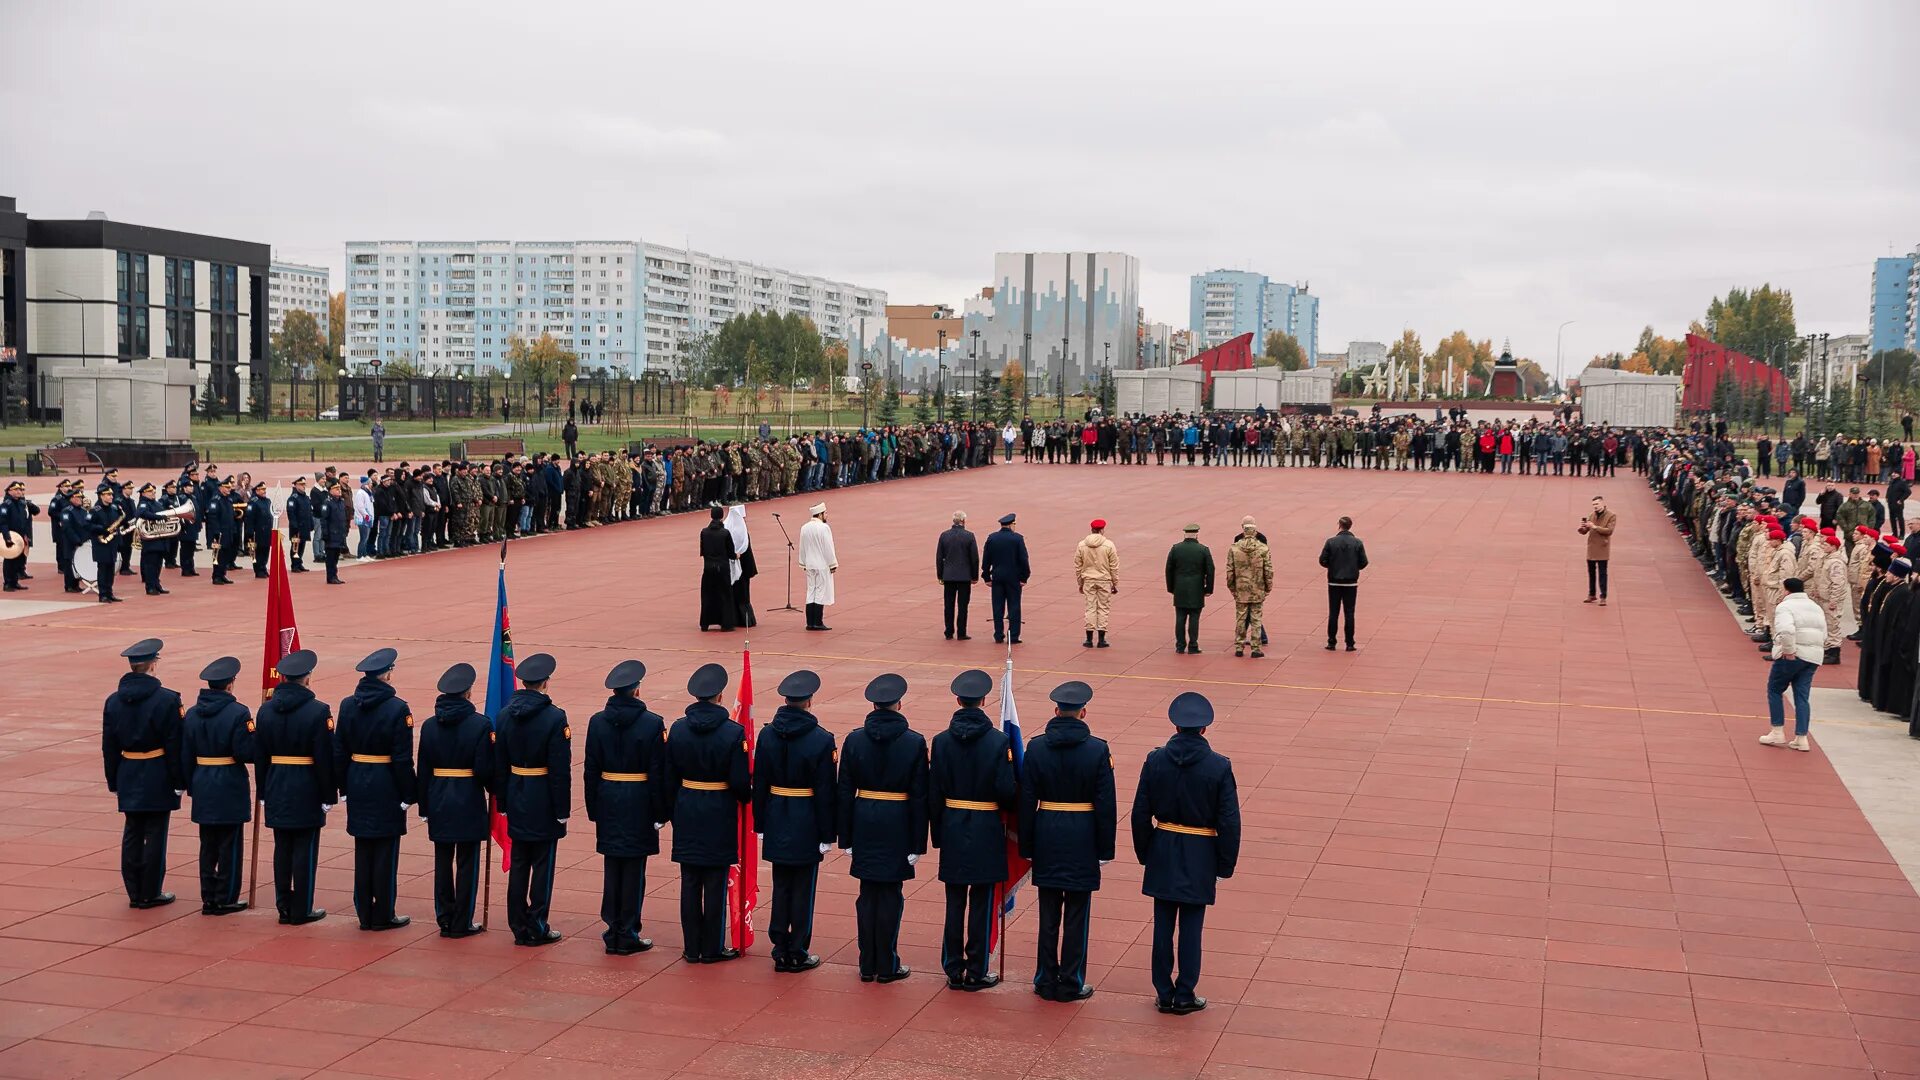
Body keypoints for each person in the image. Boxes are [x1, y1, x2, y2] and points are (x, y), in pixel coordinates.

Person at [1130, 691, 1241, 1014]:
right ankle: (1185, 992)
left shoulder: (1155, 760)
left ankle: (1163, 990)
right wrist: (1224, 863)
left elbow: (1140, 813)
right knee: (1192, 926)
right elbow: (1229, 820)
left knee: (1163, 923)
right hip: (1200, 850)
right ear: (1204, 729)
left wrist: (1146, 851)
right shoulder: (1219, 766)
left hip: (1163, 845)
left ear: (1176, 727)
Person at [1018, 680, 1116, 1003]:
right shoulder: (1098, 749)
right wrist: (1105, 849)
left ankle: (1045, 978)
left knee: (1047, 912)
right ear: (1083, 712)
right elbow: (1106, 805)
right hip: (1083, 834)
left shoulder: (1036, 747)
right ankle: (1071, 979)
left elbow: (1026, 801)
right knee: (1077, 912)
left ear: (1056, 711)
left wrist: (1026, 846)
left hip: (1047, 830)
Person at [837, 673, 927, 983]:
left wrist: (845, 836)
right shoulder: (914, 742)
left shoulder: (854, 739)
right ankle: (886, 963)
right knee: (890, 894)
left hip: (864, 818)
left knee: (867, 894)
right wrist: (918, 843)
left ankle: (867, 963)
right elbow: (919, 796)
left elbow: (844, 790)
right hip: (898, 821)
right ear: (899, 704)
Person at [929, 668, 1015, 991]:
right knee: (981, 901)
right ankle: (977, 969)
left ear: (958, 700)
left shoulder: (940, 741)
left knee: (954, 902)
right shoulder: (998, 742)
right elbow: (1006, 792)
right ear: (983, 700)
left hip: (952, 826)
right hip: (985, 828)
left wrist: (937, 834)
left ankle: (953, 967)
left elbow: (934, 794)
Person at [663, 662, 750, 964]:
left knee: (689, 881)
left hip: (687, 806)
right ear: (720, 697)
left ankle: (691, 946)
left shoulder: (677, 728)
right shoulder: (732, 732)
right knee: (714, 881)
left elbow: (668, 775)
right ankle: (711, 947)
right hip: (718, 809)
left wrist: (675, 807)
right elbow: (740, 782)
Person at [754, 669, 837, 973]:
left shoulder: (766, 734)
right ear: (809, 702)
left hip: (776, 813)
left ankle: (779, 947)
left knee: (781, 885)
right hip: (807, 818)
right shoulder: (821, 739)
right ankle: (797, 949)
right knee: (803, 886)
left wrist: (759, 822)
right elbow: (826, 791)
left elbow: (759, 782)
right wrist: (829, 833)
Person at [585, 659, 667, 955]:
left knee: (612, 865)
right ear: (636, 691)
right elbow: (658, 773)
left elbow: (590, 769)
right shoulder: (652, 723)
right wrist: (661, 812)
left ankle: (612, 927)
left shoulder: (597, 721)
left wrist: (593, 806)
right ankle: (628, 930)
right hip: (639, 799)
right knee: (634, 868)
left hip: (608, 796)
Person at [333, 648, 417, 931]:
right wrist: (409, 793)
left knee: (363, 848)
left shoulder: (347, 705)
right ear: (387, 674)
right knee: (385, 850)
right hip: (386, 783)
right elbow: (402, 758)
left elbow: (339, 751)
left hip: (357, 779)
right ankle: (383, 912)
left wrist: (343, 786)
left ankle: (364, 913)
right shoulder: (397, 708)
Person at [494, 651, 570, 946]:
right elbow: (560, 769)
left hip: (516, 792)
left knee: (519, 862)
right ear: (545, 683)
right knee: (542, 865)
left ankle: (517, 924)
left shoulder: (504, 715)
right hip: (543, 797)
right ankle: (537, 924)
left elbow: (500, 763)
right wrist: (562, 809)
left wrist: (502, 801)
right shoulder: (554, 717)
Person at [102, 638, 184, 909]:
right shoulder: (168, 700)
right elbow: (174, 744)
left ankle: (135, 891)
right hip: (157, 770)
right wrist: (179, 780)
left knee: (133, 831)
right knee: (156, 833)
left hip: (128, 770)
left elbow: (109, 746)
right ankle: (151, 891)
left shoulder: (113, 701)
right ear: (152, 665)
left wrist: (113, 779)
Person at [256, 649, 336, 924]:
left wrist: (262, 791)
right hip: (307, 785)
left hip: (276, 782)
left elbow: (260, 755)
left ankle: (284, 907)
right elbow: (325, 757)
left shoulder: (265, 709)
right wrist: (329, 794)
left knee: (282, 848)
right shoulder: (318, 711)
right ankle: (302, 908)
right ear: (307, 678)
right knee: (304, 849)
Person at [416, 662, 493, 938]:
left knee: (442, 860)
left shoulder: (429, 725)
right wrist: (496, 788)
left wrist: (424, 805)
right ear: (468, 692)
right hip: (468, 797)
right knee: (467, 862)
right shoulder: (480, 724)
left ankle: (445, 917)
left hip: (438, 796)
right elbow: (484, 769)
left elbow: (422, 769)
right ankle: (462, 920)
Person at [182, 655, 252, 915]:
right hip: (229, 782)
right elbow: (245, 752)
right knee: (229, 845)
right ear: (230, 684)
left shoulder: (191, 713)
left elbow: (185, 754)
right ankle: (226, 896)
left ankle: (209, 897)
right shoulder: (238, 712)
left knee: (207, 844)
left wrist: (191, 784)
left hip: (203, 780)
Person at [1761, 578, 1825, 752]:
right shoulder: (1815, 606)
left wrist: (1788, 651)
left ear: (1787, 590)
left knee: (1774, 689)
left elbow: (1787, 630)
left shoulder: (1785, 607)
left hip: (1794, 654)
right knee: (1802, 697)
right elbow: (1824, 632)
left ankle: (1777, 730)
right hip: (1813, 656)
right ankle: (1801, 737)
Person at [1319, 516, 1369, 651]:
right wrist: (1354, 568)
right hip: (1351, 583)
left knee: (1333, 613)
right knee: (1349, 613)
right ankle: (1350, 643)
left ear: (1339, 525)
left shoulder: (1331, 542)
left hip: (1334, 582)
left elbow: (1322, 560)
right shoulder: (1357, 543)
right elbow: (1364, 562)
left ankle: (1331, 642)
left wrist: (1332, 567)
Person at [1164, 523, 1214, 654]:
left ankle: (1180, 646)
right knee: (1194, 618)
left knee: (1180, 618)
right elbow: (1210, 570)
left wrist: (1171, 587)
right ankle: (1193, 645)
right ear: (1197, 534)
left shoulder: (1175, 549)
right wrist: (1208, 588)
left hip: (1179, 588)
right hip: (1197, 589)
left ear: (1184, 534)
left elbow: (1168, 570)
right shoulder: (1203, 550)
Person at [982, 512, 1031, 644]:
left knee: (997, 606)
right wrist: (1024, 577)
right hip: (1013, 578)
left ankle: (998, 634)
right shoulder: (1017, 539)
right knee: (1014, 606)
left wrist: (986, 576)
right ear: (1011, 524)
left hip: (997, 577)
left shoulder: (992, 538)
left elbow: (986, 559)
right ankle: (1013, 635)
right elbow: (1023, 560)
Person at [1227, 517, 1272, 658]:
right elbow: (1268, 570)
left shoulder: (1234, 548)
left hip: (1241, 588)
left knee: (1240, 618)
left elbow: (1230, 571)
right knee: (1256, 619)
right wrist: (1268, 587)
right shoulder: (1263, 548)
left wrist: (1232, 588)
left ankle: (1239, 646)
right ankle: (1255, 648)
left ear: (1243, 528)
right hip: (1257, 588)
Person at [1075, 518, 1120, 649]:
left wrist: (1080, 582)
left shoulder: (1082, 545)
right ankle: (1101, 639)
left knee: (1090, 607)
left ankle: (1088, 639)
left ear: (1091, 529)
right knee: (1103, 608)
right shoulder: (1109, 545)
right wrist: (1114, 583)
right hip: (1104, 580)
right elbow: (1114, 566)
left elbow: (1078, 565)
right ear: (1102, 530)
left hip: (1088, 580)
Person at [937, 510, 980, 640]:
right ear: (963, 521)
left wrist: (940, 575)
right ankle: (961, 632)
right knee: (963, 605)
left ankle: (949, 631)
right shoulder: (969, 536)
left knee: (948, 605)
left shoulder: (944, 535)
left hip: (949, 576)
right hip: (964, 576)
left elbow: (939, 557)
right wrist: (974, 576)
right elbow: (974, 558)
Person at [799, 501, 838, 631]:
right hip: (821, 564)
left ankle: (810, 622)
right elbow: (828, 547)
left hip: (810, 563)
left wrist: (803, 562)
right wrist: (833, 563)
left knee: (811, 591)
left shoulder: (804, 527)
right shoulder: (824, 528)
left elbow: (802, 547)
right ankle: (817, 622)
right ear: (820, 514)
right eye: (825, 513)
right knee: (820, 591)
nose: (827, 515)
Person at [698, 506, 738, 631]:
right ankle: (726, 623)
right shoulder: (725, 533)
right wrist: (736, 555)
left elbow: (703, 551)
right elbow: (731, 553)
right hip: (722, 567)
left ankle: (705, 622)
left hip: (708, 567)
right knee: (725, 595)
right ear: (721, 517)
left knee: (707, 595)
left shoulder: (704, 532)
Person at [725, 504, 758, 628]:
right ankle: (745, 619)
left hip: (730, 565)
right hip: (743, 567)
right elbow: (747, 551)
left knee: (732, 592)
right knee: (743, 594)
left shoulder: (726, 527)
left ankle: (733, 617)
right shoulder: (743, 532)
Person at [1580, 495, 1616, 605]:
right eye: (1593, 505)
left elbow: (1609, 531)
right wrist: (1583, 527)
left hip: (1602, 547)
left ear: (1602, 503)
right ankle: (1592, 594)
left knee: (1602, 573)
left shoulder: (1611, 516)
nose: (1595, 506)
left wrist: (1594, 527)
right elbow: (1585, 531)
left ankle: (1603, 596)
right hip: (1591, 547)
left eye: (1596, 504)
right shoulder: (1591, 515)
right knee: (1591, 572)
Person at [246, 481, 275, 578]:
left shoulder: (268, 501)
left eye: (265, 489)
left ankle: (263, 567)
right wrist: (249, 532)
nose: (264, 491)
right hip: (257, 531)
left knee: (265, 550)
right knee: (258, 552)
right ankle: (258, 570)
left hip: (267, 530)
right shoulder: (253, 502)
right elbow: (249, 519)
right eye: (262, 489)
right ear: (257, 490)